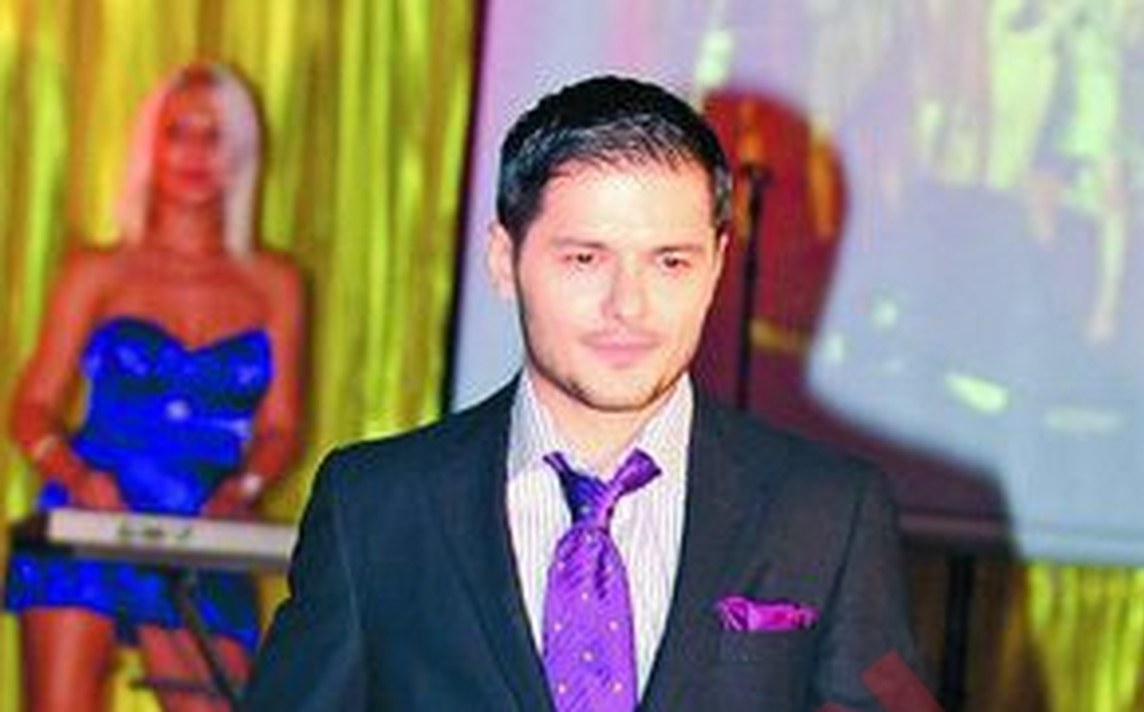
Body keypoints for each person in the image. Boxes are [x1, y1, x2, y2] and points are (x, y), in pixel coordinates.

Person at [244, 75, 924, 711]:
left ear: (717, 266)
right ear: (504, 260)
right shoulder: (376, 506)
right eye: (584, 258)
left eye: (670, 262)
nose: (628, 305)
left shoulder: (827, 512)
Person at [4, 62, 305, 712]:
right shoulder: (97, 270)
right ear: (150, 146)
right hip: (91, 521)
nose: (194, 154)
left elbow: (282, 426)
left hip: (203, 529)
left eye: (212, 136)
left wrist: (242, 489)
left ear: (240, 151)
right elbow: (30, 407)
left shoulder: (274, 283)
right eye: (177, 133)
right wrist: (77, 477)